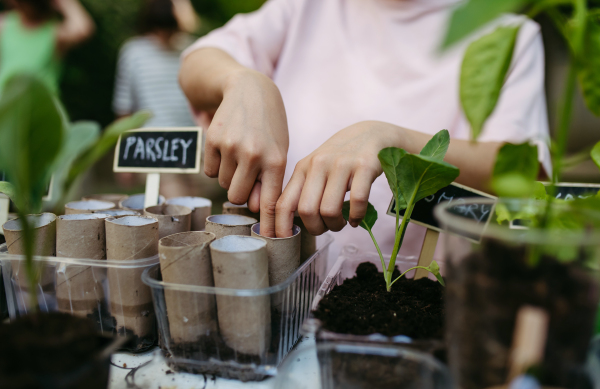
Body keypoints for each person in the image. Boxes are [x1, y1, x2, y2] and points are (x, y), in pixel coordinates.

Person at [179, 0, 550, 260]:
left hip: (423, 291)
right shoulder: (306, 7)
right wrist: (243, 81)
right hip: (285, 275)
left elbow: (519, 172)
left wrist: (393, 141)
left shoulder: (506, 33)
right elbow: (198, 61)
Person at [113, 0, 203, 196]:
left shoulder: (193, 49)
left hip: (194, 143)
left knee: (198, 208)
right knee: (176, 207)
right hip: (155, 145)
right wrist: (124, 157)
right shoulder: (133, 52)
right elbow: (124, 108)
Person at [0, 0, 94, 94]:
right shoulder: (5, 24)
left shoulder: (54, 34)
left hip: (37, 106)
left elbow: (83, 28)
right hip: (4, 104)